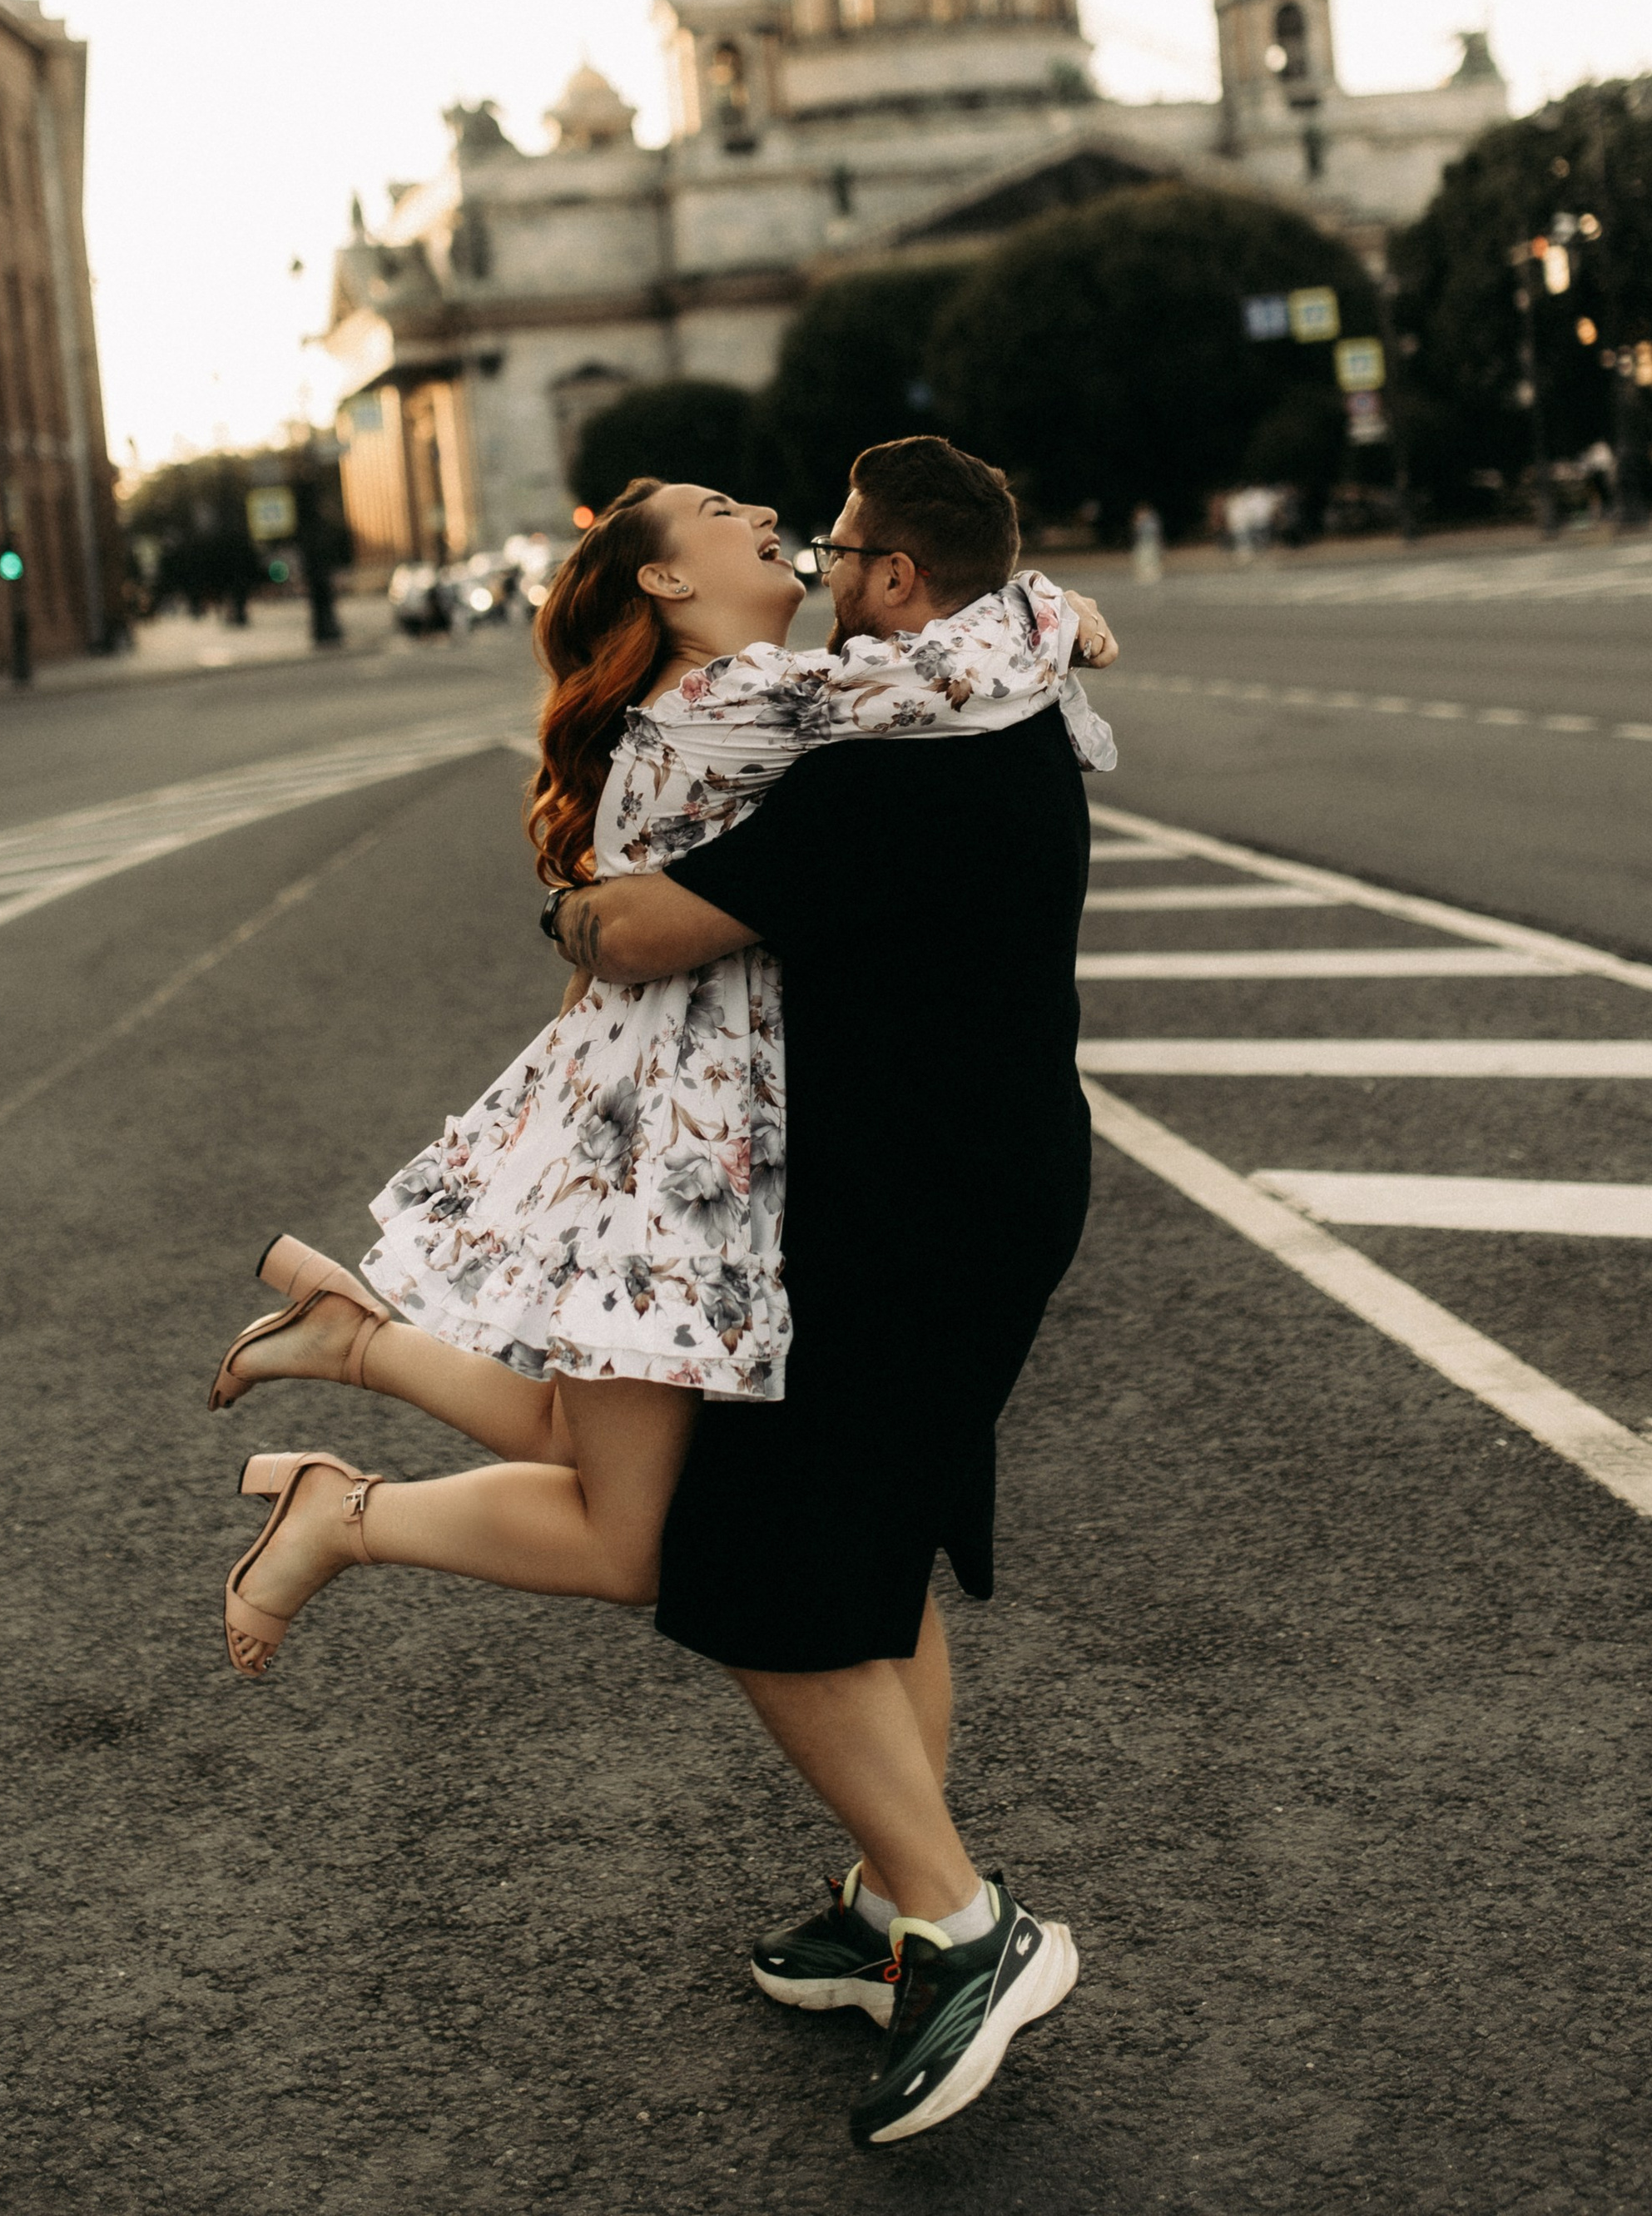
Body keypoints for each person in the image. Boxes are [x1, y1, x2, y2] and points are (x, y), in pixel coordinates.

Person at [205, 478, 1115, 1710]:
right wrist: (1047, 610)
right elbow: (928, 684)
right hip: (669, 1146)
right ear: (667, 582)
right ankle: (342, 1504)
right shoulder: (726, 702)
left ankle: (355, 1351)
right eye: (714, 505)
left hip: (673, 1125)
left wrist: (1037, 609)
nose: (757, 507)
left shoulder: (719, 702)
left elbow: (921, 680)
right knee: (627, 1529)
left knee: (587, 1450)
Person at [547, 437, 1109, 2148]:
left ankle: (960, 1923)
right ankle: (886, 1904)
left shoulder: (882, 768)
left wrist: (569, 906)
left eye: (838, 542)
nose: (809, 548)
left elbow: (646, 931)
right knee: (868, 1566)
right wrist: (1058, 610)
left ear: (890, 580)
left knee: (757, 1575)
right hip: (961, 1183)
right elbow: (1019, 628)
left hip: (913, 1209)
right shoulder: (978, 692)